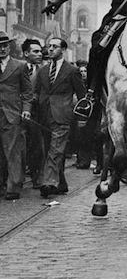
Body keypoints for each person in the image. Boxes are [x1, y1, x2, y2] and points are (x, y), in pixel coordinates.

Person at [32, 38, 86, 198]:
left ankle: (48, 182)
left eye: (54, 47)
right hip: (44, 116)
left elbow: (82, 95)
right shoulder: (42, 71)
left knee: (55, 150)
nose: (50, 49)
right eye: (49, 46)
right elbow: (37, 91)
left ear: (62, 49)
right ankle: (61, 183)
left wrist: (81, 117)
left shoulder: (72, 70)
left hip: (62, 116)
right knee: (52, 149)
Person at [0, 31, 33, 200]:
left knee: (12, 151)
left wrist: (26, 109)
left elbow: (27, 91)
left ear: (10, 47)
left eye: (5, 45)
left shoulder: (19, 66)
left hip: (12, 114)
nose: (2, 49)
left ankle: (13, 187)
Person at [21, 38, 44, 188]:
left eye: (40, 51)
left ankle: (37, 178)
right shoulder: (17, 67)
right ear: (26, 53)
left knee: (37, 146)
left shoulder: (45, 70)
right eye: (35, 51)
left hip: (36, 114)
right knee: (19, 147)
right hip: (18, 113)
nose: (39, 54)